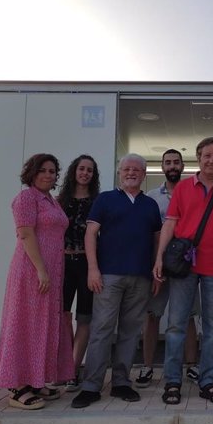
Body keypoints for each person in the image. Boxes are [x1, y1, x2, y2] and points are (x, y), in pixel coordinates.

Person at [153, 137, 213, 406]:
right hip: (184, 266)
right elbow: (170, 225)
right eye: (207, 155)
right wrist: (159, 257)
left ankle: (207, 381)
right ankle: (173, 380)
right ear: (198, 157)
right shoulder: (183, 188)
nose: (211, 160)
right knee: (176, 325)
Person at [71, 154, 162, 408]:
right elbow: (90, 234)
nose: (131, 173)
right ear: (119, 173)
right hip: (108, 276)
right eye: (127, 169)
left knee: (130, 332)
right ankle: (91, 386)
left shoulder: (150, 205)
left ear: (144, 175)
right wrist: (93, 269)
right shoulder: (105, 199)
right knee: (101, 330)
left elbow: (156, 240)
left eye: (137, 170)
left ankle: (121, 382)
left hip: (141, 277)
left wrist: (155, 269)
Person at [0, 153, 74, 409]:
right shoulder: (26, 198)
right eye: (43, 170)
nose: (48, 175)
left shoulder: (50, 200)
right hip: (31, 272)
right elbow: (26, 234)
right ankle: (17, 387)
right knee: (25, 325)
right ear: (32, 172)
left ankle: (36, 381)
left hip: (51, 273)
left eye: (52, 171)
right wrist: (40, 269)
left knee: (42, 326)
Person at [136, 149, 200, 388]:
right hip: (159, 264)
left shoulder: (193, 193)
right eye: (168, 162)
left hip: (185, 266)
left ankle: (192, 365)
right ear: (162, 167)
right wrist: (155, 262)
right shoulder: (152, 197)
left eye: (176, 162)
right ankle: (147, 367)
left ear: (183, 166)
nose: (172, 166)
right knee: (151, 316)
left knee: (189, 316)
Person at [57, 154, 100, 392]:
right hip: (62, 263)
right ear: (74, 171)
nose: (85, 173)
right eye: (82, 168)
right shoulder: (58, 202)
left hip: (87, 263)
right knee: (62, 315)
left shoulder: (98, 202)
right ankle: (61, 366)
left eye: (90, 170)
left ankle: (73, 369)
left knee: (84, 317)